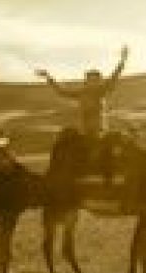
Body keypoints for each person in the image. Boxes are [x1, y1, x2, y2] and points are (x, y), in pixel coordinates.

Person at [36, 46, 129, 186]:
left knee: (106, 151)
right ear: (86, 80)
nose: (92, 82)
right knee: (64, 141)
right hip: (84, 132)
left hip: (99, 133)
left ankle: (107, 181)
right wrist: (49, 78)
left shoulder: (101, 91)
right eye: (90, 79)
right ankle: (56, 176)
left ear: (99, 81)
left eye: (95, 79)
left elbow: (114, 78)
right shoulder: (81, 93)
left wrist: (122, 61)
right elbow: (61, 92)